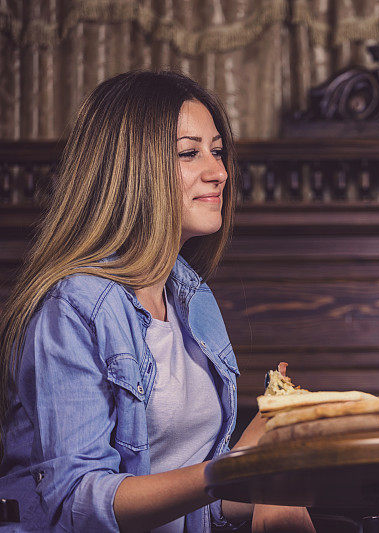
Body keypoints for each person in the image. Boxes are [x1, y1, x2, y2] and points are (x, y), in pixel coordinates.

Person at [0, 71, 315, 532]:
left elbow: (191, 504)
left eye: (218, 151)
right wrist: (233, 473)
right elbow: (77, 503)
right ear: (130, 167)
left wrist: (268, 473)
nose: (219, 172)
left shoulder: (191, 298)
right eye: (189, 153)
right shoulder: (72, 308)